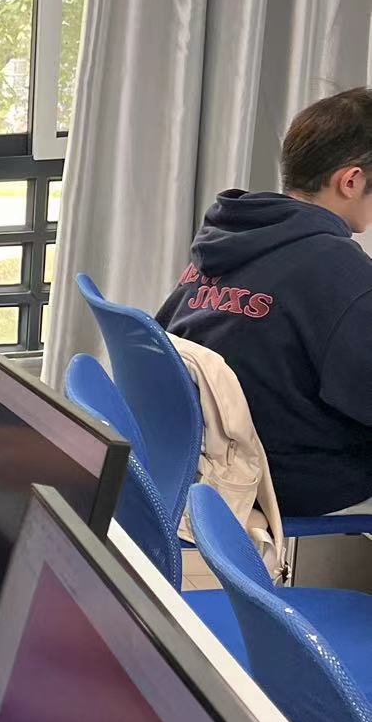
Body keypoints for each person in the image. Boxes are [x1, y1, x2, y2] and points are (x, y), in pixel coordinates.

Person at [157, 87, 372, 516]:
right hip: (280, 475)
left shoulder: (230, 231)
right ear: (351, 181)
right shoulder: (338, 269)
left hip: (198, 453)